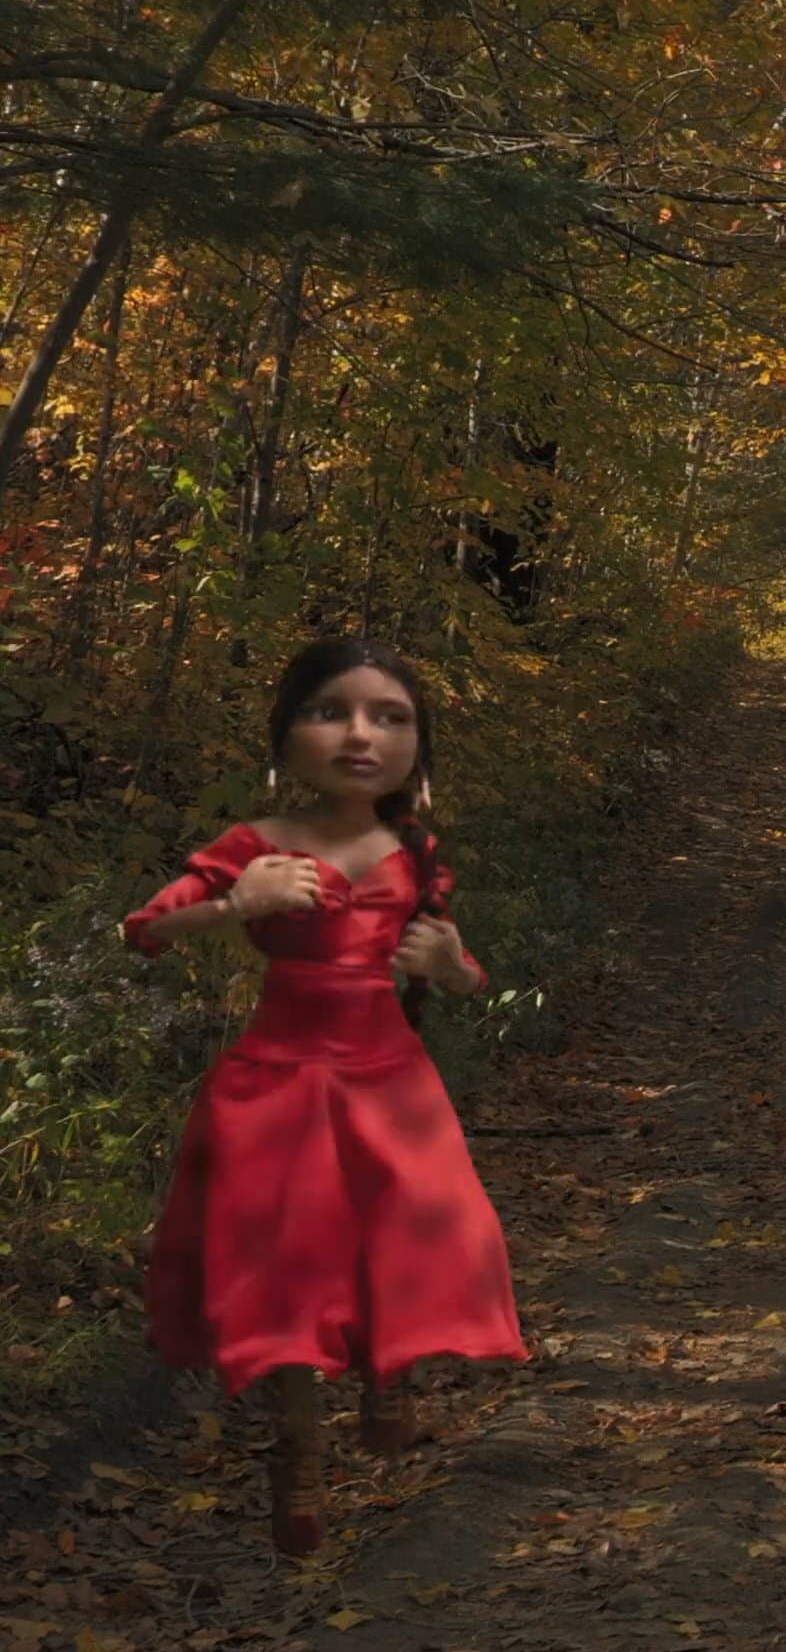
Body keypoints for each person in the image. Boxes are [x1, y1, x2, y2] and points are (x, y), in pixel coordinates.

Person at [120, 637, 525, 1555]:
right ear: (285, 736)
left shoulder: (415, 853)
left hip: (389, 1083)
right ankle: (297, 1457)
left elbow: (464, 973)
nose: (360, 735)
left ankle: (391, 1371)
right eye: (329, 711)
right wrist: (236, 904)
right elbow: (142, 929)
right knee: (286, 1276)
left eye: (391, 717)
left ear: (417, 750)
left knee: (416, 1234)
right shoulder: (253, 846)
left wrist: (451, 967)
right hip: (277, 1086)